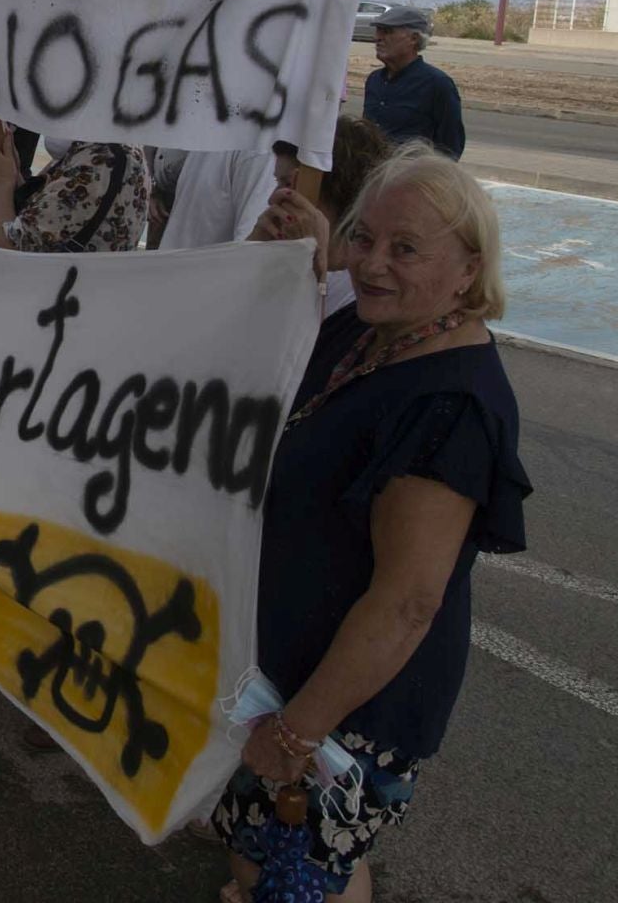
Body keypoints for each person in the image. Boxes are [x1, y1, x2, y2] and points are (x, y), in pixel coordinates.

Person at [213, 143, 528, 902]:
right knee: (269, 859)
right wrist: (291, 265)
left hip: (346, 706)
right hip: (286, 673)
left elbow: (408, 602)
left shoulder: (449, 405)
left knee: (301, 870)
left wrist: (298, 731)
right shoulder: (370, 327)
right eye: (364, 237)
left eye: (407, 248)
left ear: (468, 267)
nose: (374, 263)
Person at [251, 118, 394, 316]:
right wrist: (251, 250)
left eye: (287, 184)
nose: (272, 199)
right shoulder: (284, 263)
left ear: (335, 191)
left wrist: (313, 269)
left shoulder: (363, 290)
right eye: (278, 182)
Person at [0, 133, 150, 253]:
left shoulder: (100, 161)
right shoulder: (111, 148)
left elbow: (3, 246)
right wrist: (12, 177)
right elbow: (48, 217)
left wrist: (1, 185)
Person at [362, 6, 464, 158]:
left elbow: (451, 148)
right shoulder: (374, 80)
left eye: (387, 31)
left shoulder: (437, 84)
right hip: (373, 176)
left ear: (414, 39)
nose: (377, 38)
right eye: (378, 30)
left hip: (410, 177)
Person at [156, 147, 277, 250]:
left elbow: (249, 251)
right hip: (172, 270)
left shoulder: (258, 153)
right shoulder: (207, 143)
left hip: (203, 274)